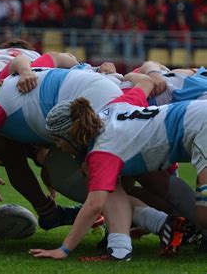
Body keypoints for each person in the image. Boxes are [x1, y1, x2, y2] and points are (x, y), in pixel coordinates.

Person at [36, 73, 207, 259]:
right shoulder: (112, 108)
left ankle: (121, 248)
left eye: (58, 140)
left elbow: (94, 205)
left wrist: (64, 249)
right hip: (197, 116)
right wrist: (131, 75)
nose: (58, 146)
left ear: (71, 135)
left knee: (204, 218)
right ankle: (120, 250)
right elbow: (146, 82)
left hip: (200, 127)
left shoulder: (103, 152)